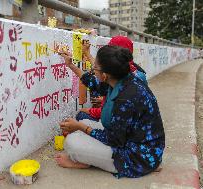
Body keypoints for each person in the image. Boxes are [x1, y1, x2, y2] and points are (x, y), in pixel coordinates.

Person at [55, 45, 165, 178]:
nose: (93, 70)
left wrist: (80, 127)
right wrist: (71, 65)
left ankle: (85, 161)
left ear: (105, 75)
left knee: (72, 142)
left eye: (94, 67)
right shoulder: (124, 80)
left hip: (138, 157)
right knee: (83, 121)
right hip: (133, 140)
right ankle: (88, 156)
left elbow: (114, 140)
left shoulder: (126, 98)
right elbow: (93, 83)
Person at [76, 36, 147, 122]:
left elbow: (92, 78)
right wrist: (87, 53)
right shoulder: (134, 71)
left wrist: (86, 125)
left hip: (121, 126)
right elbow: (99, 68)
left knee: (81, 116)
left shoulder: (120, 81)